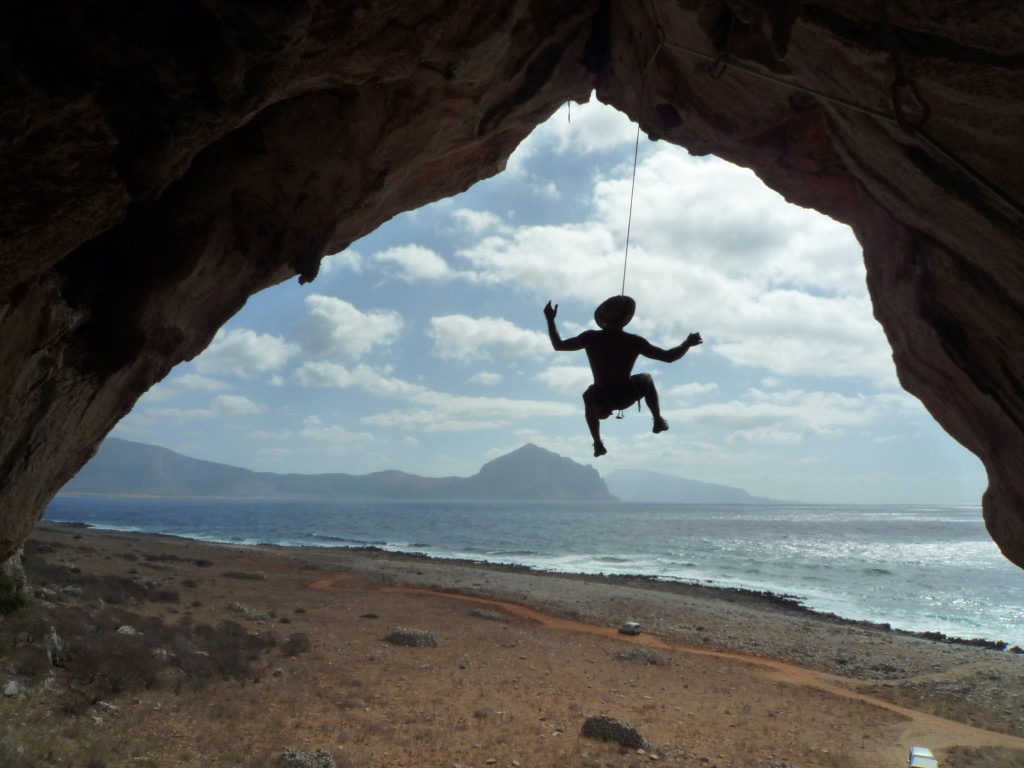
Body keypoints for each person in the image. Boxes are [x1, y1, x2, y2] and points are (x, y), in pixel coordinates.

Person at [544, 296, 702, 457]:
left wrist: (550, 319)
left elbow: (558, 345)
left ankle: (597, 443)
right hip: (625, 396)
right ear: (625, 319)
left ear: (603, 319)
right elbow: (668, 357)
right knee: (647, 377)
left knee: (588, 394)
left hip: (600, 399)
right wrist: (687, 343)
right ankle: (658, 421)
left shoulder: (590, 338)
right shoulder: (634, 341)